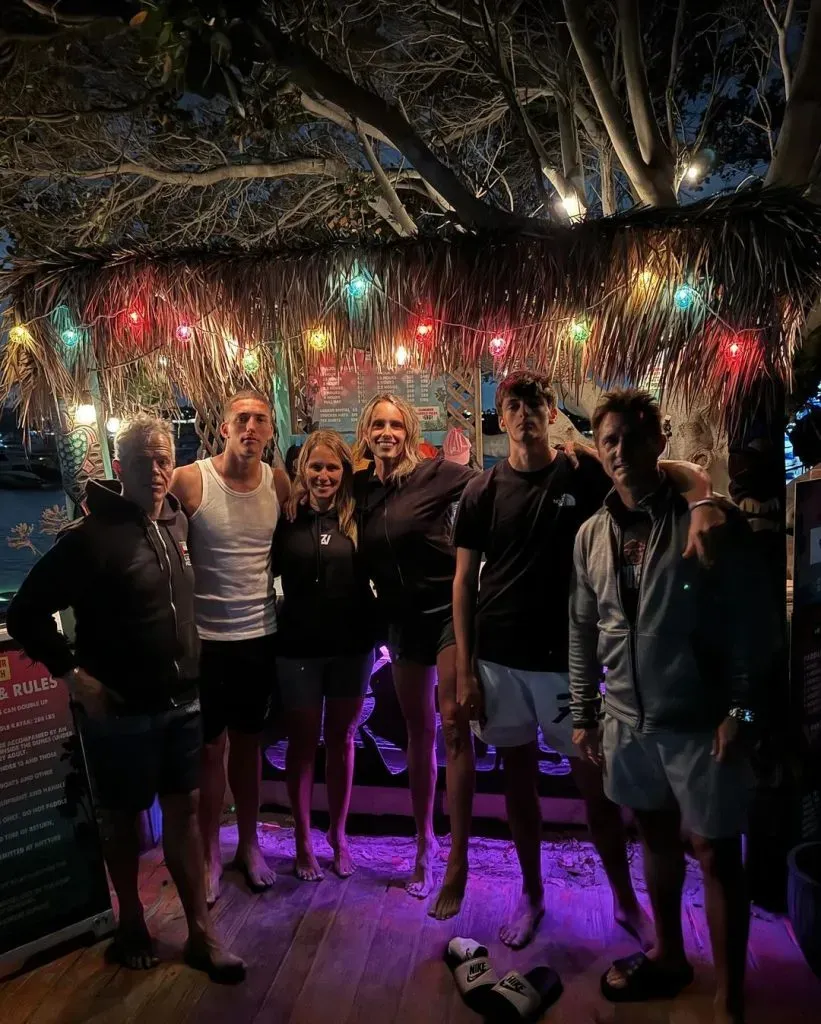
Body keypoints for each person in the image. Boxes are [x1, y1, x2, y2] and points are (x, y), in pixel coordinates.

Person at [452, 371, 727, 947]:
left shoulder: (584, 469)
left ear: (552, 412)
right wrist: (465, 668)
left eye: (535, 403)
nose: (524, 413)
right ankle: (532, 894)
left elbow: (666, 472)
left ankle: (625, 900)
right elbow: (463, 582)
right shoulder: (482, 489)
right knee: (518, 784)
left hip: (566, 662)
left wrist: (702, 495)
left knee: (599, 790)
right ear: (501, 416)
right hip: (499, 661)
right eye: (513, 404)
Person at [7, 414, 245, 982]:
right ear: (119, 467)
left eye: (164, 460)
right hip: (119, 712)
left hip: (182, 702)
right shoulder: (87, 539)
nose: (157, 472)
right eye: (143, 463)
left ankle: (201, 933)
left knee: (184, 816)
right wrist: (72, 674)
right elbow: (24, 613)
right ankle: (132, 922)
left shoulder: (174, 521)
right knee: (120, 819)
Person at [570, 388, 770, 1024]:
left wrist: (743, 710)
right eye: (609, 440)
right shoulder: (591, 534)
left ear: (660, 441)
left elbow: (751, 623)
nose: (621, 450)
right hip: (628, 720)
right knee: (654, 835)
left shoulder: (706, 519)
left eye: (634, 437)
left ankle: (730, 995)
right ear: (598, 450)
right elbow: (583, 627)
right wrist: (584, 711)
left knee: (716, 851)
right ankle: (670, 955)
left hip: (701, 721)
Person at [354, 393, 476, 906]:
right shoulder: (361, 489)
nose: (387, 433)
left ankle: (458, 857)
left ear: (409, 432)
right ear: (366, 433)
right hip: (401, 622)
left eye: (396, 425)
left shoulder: (435, 474)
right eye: (378, 424)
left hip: (447, 613)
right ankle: (425, 842)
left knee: (453, 724)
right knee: (417, 734)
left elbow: (490, 488)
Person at [171, 389, 290, 905]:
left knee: (248, 746)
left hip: (259, 636)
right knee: (209, 751)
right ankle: (209, 857)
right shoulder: (191, 480)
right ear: (223, 428)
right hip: (206, 643)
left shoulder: (278, 483)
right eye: (241, 418)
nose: (250, 427)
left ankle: (249, 844)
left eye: (260, 419)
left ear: (269, 431)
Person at [273, 430, 376, 881]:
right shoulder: (286, 517)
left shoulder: (359, 515)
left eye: (332, 467)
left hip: (352, 646)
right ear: (303, 470)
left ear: (344, 472)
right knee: (301, 744)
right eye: (315, 466)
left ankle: (338, 834)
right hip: (297, 646)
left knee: (341, 740)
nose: (323, 475)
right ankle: (302, 839)